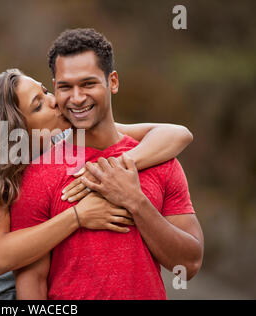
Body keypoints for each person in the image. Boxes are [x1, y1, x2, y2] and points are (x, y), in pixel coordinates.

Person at [0, 70, 194, 299]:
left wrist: (115, 168)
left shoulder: (65, 135)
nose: (54, 101)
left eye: (46, 91)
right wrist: (78, 216)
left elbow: (176, 134)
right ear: (18, 129)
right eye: (38, 105)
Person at [11, 28, 204, 300]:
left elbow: (189, 265)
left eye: (88, 84)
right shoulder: (37, 175)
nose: (76, 98)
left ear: (112, 82)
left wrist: (135, 201)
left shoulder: (159, 161)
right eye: (65, 87)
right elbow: (32, 283)